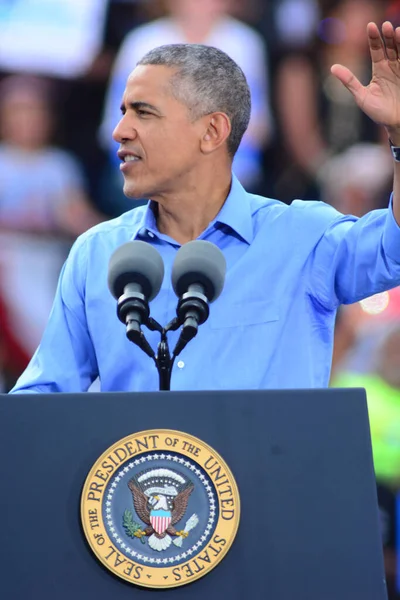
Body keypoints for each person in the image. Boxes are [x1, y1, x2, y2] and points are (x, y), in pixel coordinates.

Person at [9, 21, 400, 394]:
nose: (120, 131)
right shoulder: (96, 254)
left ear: (212, 131)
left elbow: (392, 250)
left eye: (143, 112)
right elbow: (43, 398)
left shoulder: (303, 238)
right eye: (122, 111)